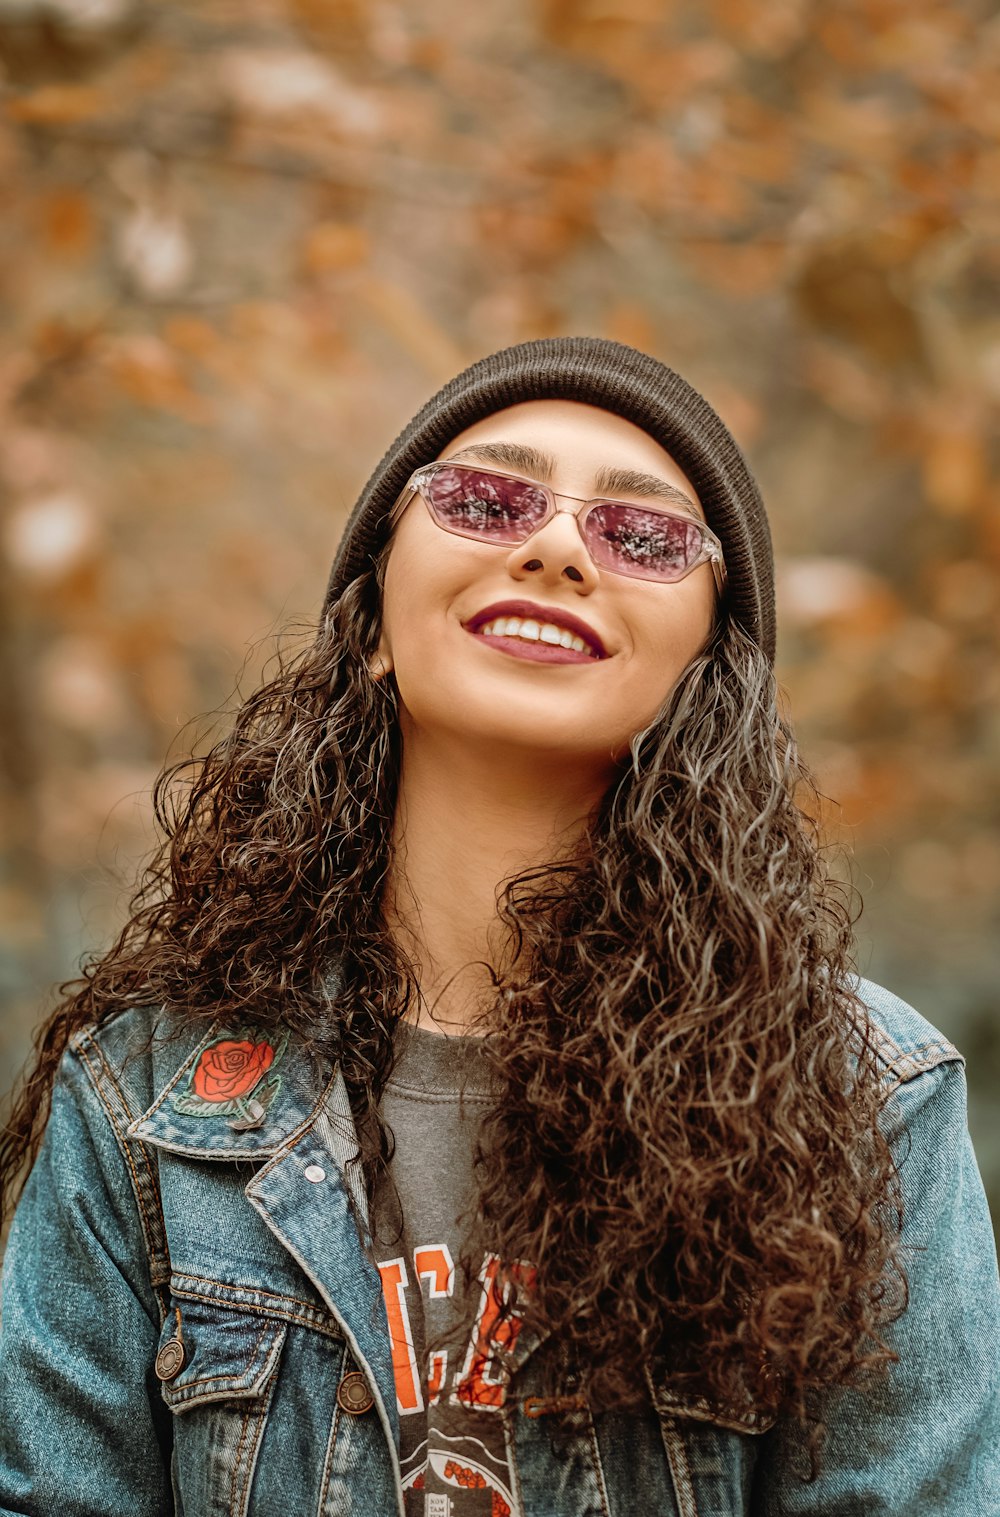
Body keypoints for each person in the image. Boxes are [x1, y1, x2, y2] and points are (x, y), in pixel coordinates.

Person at [0, 336, 997, 1517]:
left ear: (703, 682)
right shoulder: (143, 1092)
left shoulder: (863, 1101)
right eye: (486, 498)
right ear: (370, 623)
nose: (556, 545)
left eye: (643, 535)